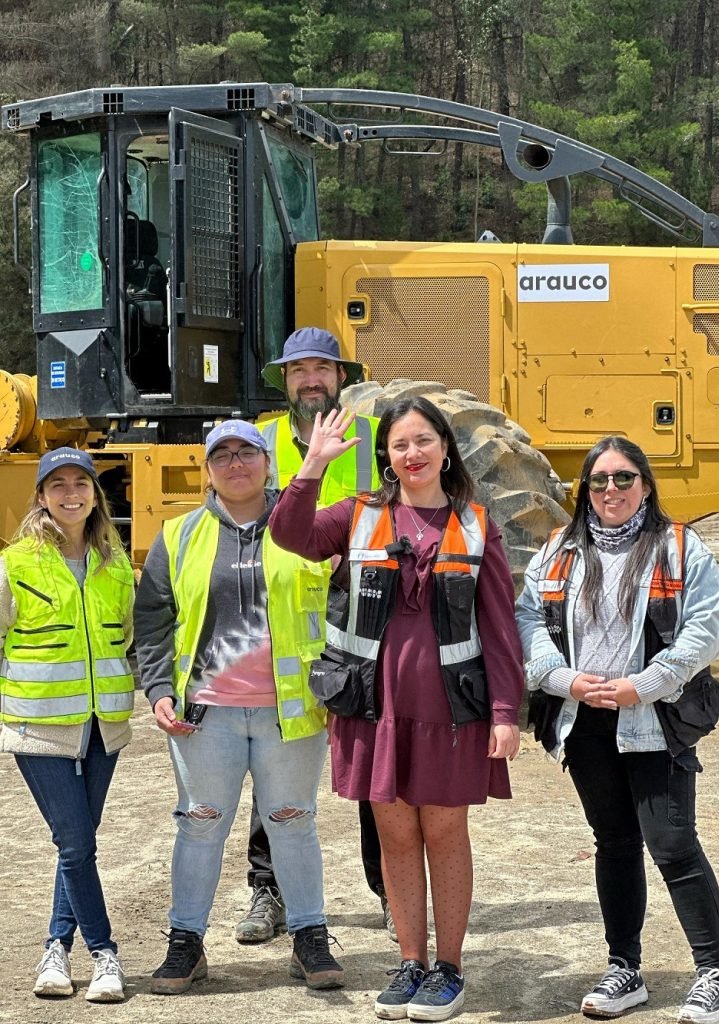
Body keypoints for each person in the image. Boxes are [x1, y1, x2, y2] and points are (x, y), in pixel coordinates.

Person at [268, 397, 524, 1022]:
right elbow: (289, 534)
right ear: (386, 455)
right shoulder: (358, 515)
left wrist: (505, 710)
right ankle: (411, 963)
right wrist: (312, 467)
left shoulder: (476, 525)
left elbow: (499, 627)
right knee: (396, 836)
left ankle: (449, 969)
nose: (413, 454)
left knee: (445, 834)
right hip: (372, 710)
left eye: (423, 441)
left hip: (450, 713)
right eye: (400, 444)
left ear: (445, 448)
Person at [516, 436, 719, 1024]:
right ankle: (624, 968)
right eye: (599, 480)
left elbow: (704, 630)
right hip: (586, 721)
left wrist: (648, 683)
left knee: (672, 844)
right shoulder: (559, 550)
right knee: (613, 843)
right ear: (584, 488)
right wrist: (562, 679)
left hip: (654, 719)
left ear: (645, 484)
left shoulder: (679, 547)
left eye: (623, 478)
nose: (610, 489)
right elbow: (528, 617)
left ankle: (713, 976)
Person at [133, 420, 344, 995]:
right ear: (207, 470)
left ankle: (309, 938)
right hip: (205, 715)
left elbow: (342, 604)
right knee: (199, 826)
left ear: (267, 462)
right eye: (221, 455)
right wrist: (158, 689)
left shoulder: (305, 526)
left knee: (293, 823)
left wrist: (340, 682)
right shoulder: (178, 535)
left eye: (246, 452)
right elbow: (151, 620)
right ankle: (185, 943)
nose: (235, 463)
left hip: (291, 711)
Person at [234, 325, 395, 946]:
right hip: (280, 625)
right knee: (275, 767)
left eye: (320, 369)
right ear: (284, 379)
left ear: (341, 378)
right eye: (298, 370)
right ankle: (268, 890)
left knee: (374, 767)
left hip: (362, 622)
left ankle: (392, 892)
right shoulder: (261, 441)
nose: (309, 380)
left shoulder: (377, 439)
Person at [0, 447, 135, 1003]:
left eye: (81, 482)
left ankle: (56, 946)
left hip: (105, 726)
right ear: (41, 497)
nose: (71, 493)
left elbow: (124, 635)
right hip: (39, 726)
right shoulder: (15, 563)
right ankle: (105, 953)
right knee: (76, 843)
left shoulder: (115, 563)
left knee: (76, 845)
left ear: (95, 495)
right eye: (58, 484)